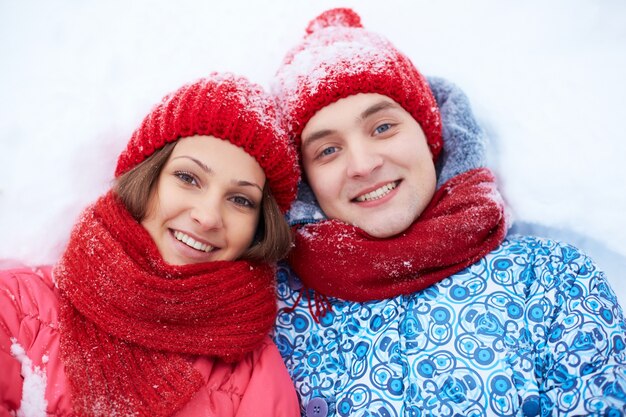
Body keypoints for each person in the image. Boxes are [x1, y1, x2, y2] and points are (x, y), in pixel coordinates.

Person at [270, 8, 626, 417]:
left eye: (383, 127)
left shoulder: (549, 279)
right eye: (327, 150)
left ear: (429, 134)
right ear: (304, 181)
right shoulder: (274, 313)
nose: (363, 164)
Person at [0, 73, 300, 417]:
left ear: (260, 228)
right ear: (147, 176)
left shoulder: (256, 375)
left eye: (240, 200)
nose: (207, 216)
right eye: (188, 178)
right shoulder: (16, 307)